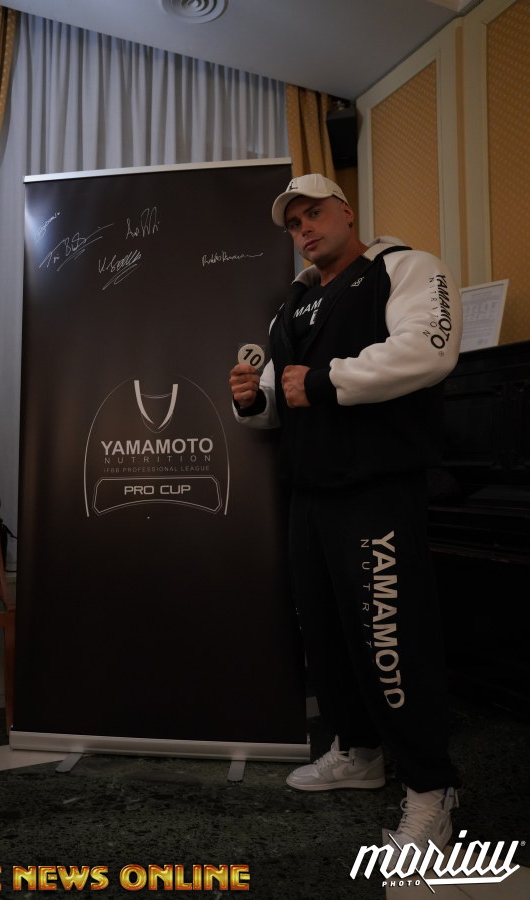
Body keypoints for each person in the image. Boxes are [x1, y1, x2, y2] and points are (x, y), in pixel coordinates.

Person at [229, 173, 462, 854]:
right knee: (325, 635)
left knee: (393, 639)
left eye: (314, 214)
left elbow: (429, 349)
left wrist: (326, 380)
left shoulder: (404, 267)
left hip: (376, 490)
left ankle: (432, 786)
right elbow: (281, 398)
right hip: (309, 493)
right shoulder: (292, 303)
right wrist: (253, 400)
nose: (304, 228)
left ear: (346, 211)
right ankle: (358, 752)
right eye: (294, 222)